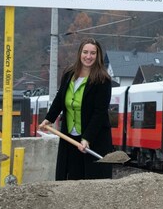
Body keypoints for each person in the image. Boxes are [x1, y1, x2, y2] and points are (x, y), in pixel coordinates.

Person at [39, 38, 113, 180]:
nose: (88, 56)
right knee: (72, 178)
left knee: (92, 180)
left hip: (94, 139)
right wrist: (49, 119)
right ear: (80, 53)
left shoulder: (103, 80)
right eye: (85, 52)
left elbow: (100, 113)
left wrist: (87, 138)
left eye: (93, 53)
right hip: (70, 138)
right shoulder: (69, 74)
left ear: (98, 56)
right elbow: (60, 98)